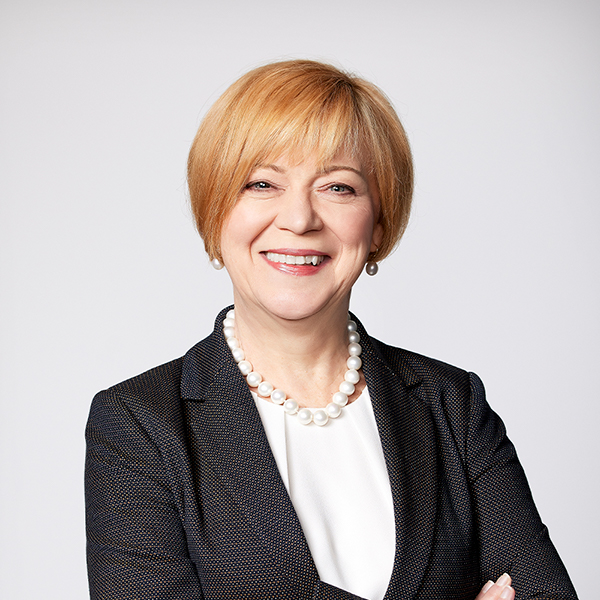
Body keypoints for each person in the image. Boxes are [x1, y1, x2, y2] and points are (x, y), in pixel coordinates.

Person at [85, 60, 577, 600]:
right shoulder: (139, 425)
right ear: (214, 212)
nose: (299, 218)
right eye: (261, 183)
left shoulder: (451, 405)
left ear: (378, 224)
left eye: (338, 187)